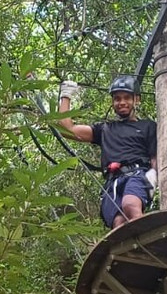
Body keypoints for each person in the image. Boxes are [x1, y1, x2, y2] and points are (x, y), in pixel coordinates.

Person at [57, 75, 157, 229]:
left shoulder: (147, 126)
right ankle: (129, 252)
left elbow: (155, 156)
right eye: (117, 99)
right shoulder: (105, 129)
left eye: (127, 98)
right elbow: (67, 129)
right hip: (113, 181)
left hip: (138, 174)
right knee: (118, 223)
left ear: (136, 100)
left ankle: (148, 241)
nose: (122, 102)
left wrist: (155, 175)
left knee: (130, 205)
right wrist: (66, 95)